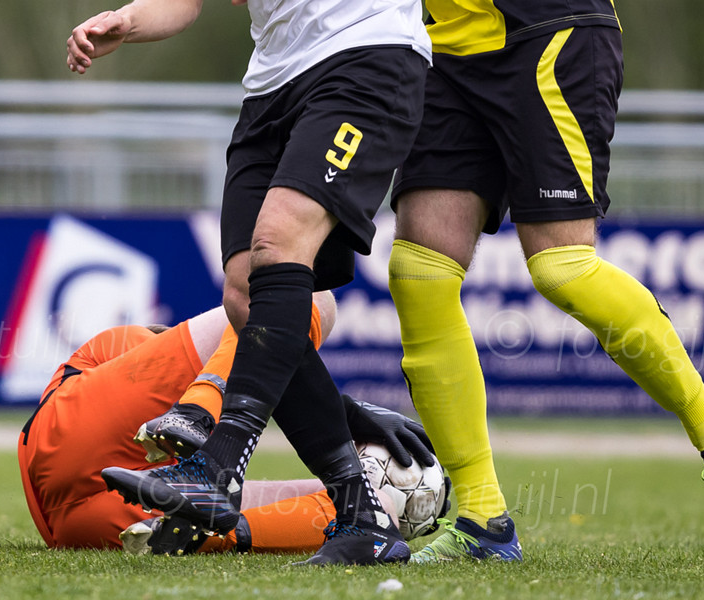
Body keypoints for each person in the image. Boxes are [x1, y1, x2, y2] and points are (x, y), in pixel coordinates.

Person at [386, 1, 704, 562]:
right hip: (445, 48)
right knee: (418, 273)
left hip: (546, 29)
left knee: (561, 266)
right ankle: (482, 519)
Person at [65, 0, 433, 565]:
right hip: (272, 84)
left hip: (362, 56)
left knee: (277, 245)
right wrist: (129, 19)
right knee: (244, 294)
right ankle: (364, 517)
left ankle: (217, 467)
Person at [17, 295, 437, 555]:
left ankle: (366, 515)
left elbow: (257, 359)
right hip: (89, 522)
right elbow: (260, 354)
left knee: (374, 507)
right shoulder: (124, 345)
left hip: (78, 490)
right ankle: (197, 412)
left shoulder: (111, 353)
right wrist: (341, 412)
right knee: (301, 299)